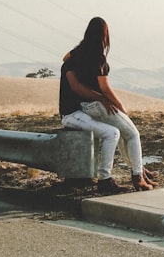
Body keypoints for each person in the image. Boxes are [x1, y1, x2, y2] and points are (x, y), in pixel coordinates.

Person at [58, 17, 157, 194]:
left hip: (84, 108)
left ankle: (139, 171)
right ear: (105, 35)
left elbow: (66, 60)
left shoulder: (76, 56)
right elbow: (105, 89)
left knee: (121, 134)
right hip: (92, 107)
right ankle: (134, 177)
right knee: (132, 134)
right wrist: (119, 106)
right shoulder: (98, 58)